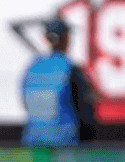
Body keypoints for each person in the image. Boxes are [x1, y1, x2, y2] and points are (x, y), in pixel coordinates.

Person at [21, 18, 98, 146]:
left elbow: (25, 102)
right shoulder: (70, 69)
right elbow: (86, 112)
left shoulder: (32, 68)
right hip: (64, 145)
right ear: (66, 38)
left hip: (33, 144)